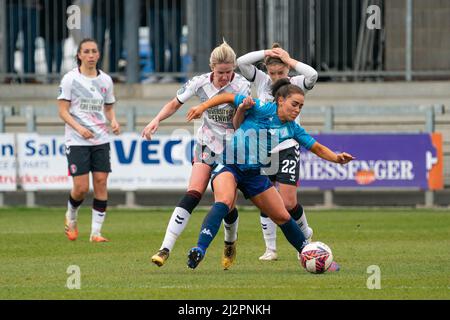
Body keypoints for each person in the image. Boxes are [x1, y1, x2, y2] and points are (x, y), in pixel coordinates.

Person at [185, 78, 354, 270]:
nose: (298, 109)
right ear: (280, 100)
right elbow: (227, 96)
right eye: (294, 104)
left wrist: (337, 158)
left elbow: (316, 147)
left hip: (254, 174)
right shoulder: (261, 108)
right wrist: (202, 107)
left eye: (301, 106)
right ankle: (200, 249)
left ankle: (310, 254)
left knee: (282, 216)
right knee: (224, 202)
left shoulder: (293, 128)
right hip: (229, 165)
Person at [142, 41, 251, 269]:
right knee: (194, 191)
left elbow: (239, 123)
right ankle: (165, 248)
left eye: (229, 71)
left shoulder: (241, 85)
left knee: (227, 202)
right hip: (206, 143)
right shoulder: (200, 83)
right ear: (212, 68)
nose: (224, 77)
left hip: (232, 149)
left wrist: (240, 110)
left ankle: (230, 242)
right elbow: (175, 103)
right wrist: (156, 120)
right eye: (220, 72)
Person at [237, 43, 318, 261]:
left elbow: (313, 75)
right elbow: (241, 62)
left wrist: (289, 59)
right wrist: (265, 53)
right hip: (263, 148)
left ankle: (305, 238)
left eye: (280, 72)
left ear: (287, 70)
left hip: (288, 146)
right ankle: (271, 249)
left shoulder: (296, 83)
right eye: (272, 72)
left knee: (288, 203)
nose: (275, 77)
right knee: (267, 198)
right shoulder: (262, 81)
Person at [57, 38, 121, 243]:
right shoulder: (70, 79)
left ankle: (95, 233)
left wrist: (113, 121)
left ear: (99, 54)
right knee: (81, 188)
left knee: (101, 183)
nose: (91, 55)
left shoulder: (105, 81)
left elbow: (109, 107)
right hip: (77, 140)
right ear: (79, 55)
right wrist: (79, 128)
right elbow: (63, 111)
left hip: (101, 138)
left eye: (94, 51)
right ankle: (71, 216)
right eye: (86, 51)